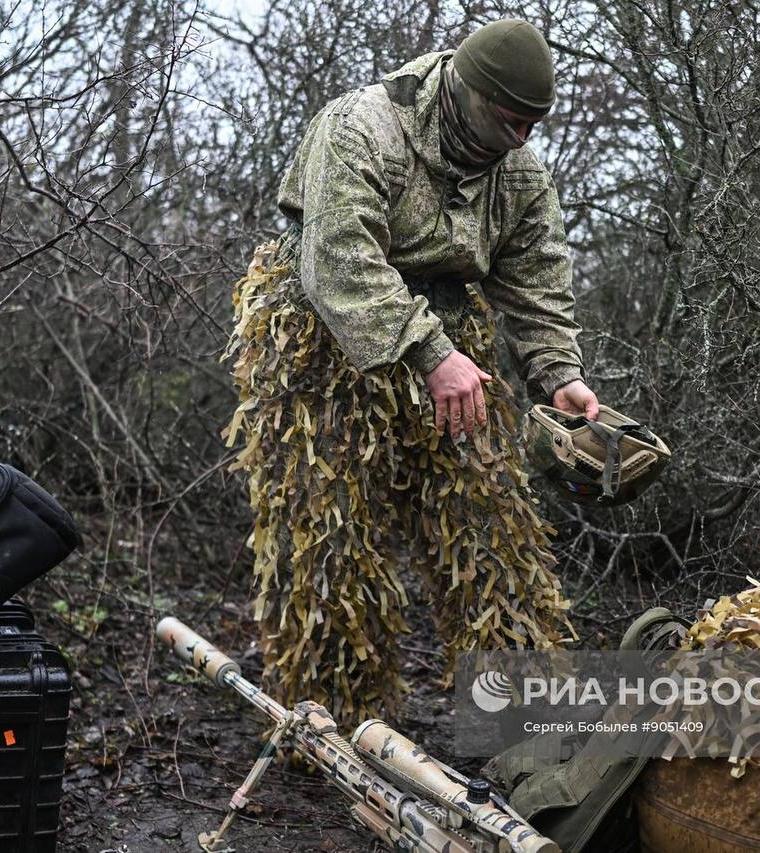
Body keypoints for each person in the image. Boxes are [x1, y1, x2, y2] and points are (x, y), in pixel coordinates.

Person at [223, 19, 599, 722]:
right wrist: (429, 355)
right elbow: (338, 262)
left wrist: (558, 372)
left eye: (533, 126)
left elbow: (536, 278)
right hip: (322, 338)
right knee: (332, 546)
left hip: (453, 341)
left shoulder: (519, 173)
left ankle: (520, 722)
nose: (522, 140)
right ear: (467, 92)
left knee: (492, 529)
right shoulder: (364, 127)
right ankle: (333, 721)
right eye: (512, 122)